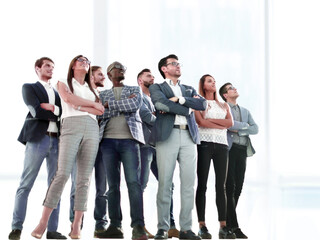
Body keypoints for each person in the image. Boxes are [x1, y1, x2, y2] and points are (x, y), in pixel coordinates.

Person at [31, 55, 104, 239]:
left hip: (92, 128)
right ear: (73, 65)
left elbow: (100, 110)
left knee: (84, 179)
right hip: (71, 125)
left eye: (87, 61)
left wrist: (81, 105)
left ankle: (76, 225)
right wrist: (89, 104)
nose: (84, 62)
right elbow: (67, 98)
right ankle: (43, 222)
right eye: (80, 60)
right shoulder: (63, 81)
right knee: (62, 174)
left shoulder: (92, 88)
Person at [149, 54, 206, 240]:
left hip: (189, 136)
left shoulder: (188, 88)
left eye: (178, 63)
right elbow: (159, 103)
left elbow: (202, 103)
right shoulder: (157, 87)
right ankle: (162, 228)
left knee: (189, 184)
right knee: (165, 183)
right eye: (174, 64)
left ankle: (186, 229)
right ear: (164, 69)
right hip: (168, 135)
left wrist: (180, 100)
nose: (178, 66)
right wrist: (188, 108)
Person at [8, 57, 66, 240]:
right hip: (37, 140)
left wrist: (54, 109)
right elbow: (36, 111)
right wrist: (55, 111)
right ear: (37, 68)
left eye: (53, 67)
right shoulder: (29, 87)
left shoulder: (58, 92)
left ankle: (52, 229)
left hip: (57, 141)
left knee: (54, 186)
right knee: (26, 184)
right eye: (47, 66)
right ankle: (16, 228)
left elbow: (65, 113)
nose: (51, 69)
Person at [96, 61, 147, 240]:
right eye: (117, 69)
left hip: (130, 142)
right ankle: (115, 225)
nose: (121, 71)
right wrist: (116, 105)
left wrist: (110, 105)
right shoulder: (103, 94)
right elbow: (100, 112)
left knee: (134, 184)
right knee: (112, 186)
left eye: (123, 69)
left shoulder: (135, 89)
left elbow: (133, 106)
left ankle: (138, 226)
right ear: (110, 74)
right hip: (107, 142)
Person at [137, 69, 179, 239]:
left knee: (168, 184)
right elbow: (147, 116)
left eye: (153, 76)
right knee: (141, 184)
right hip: (145, 146)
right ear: (140, 80)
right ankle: (139, 226)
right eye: (148, 76)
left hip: (161, 146)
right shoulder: (138, 97)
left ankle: (170, 225)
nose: (152, 78)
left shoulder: (158, 98)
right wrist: (162, 118)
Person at [68, 65, 109, 237]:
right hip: (81, 143)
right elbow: (73, 106)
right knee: (78, 184)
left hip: (102, 145)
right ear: (91, 76)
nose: (103, 78)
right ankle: (75, 223)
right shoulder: (77, 91)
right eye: (100, 74)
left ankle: (100, 224)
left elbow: (105, 112)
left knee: (102, 187)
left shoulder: (106, 95)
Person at [194, 74, 236, 239]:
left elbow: (230, 124)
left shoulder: (224, 104)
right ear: (203, 85)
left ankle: (223, 226)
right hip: (204, 144)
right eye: (209, 81)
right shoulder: (199, 103)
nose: (213, 83)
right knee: (202, 184)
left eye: (214, 81)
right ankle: (202, 226)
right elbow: (200, 123)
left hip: (221, 145)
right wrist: (219, 123)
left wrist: (210, 121)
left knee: (221, 186)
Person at [219, 83, 259, 239]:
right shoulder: (222, 109)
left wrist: (239, 128)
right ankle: (234, 227)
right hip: (229, 149)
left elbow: (255, 129)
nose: (234, 89)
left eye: (234, 87)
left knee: (238, 187)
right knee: (229, 186)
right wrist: (243, 126)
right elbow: (228, 126)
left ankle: (228, 226)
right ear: (225, 95)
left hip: (242, 150)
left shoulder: (245, 111)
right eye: (230, 88)